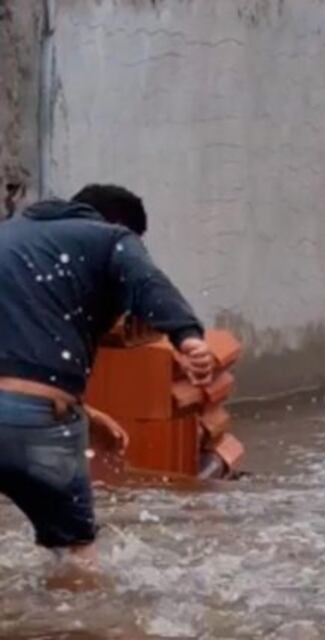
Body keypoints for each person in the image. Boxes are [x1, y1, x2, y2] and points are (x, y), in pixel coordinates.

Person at [0, 184, 215, 567]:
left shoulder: (9, 237)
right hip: (35, 426)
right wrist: (188, 338)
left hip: (26, 409)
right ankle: (83, 627)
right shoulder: (111, 238)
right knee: (75, 558)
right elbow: (149, 284)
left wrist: (89, 415)